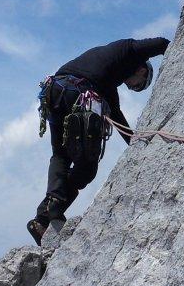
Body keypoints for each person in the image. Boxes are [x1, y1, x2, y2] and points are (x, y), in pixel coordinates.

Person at [27, 36, 170, 244]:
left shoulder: (109, 80)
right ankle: (54, 208)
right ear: (142, 71)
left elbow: (117, 116)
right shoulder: (128, 51)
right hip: (77, 93)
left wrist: (135, 144)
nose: (131, 87)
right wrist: (180, 48)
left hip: (53, 92)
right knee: (87, 166)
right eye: (137, 86)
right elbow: (161, 43)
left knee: (60, 155)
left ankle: (42, 218)